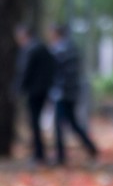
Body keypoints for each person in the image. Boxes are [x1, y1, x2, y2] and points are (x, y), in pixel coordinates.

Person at [48, 24, 98, 165]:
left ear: (56, 33)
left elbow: (58, 72)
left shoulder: (60, 50)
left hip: (62, 93)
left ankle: (60, 156)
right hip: (71, 92)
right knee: (73, 123)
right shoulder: (71, 48)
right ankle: (90, 146)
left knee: (59, 124)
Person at [15, 25, 57, 165]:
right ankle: (38, 152)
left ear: (24, 35)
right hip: (43, 90)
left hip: (34, 91)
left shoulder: (30, 49)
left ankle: (38, 154)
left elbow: (24, 71)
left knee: (34, 122)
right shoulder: (43, 48)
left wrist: (18, 88)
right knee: (35, 122)